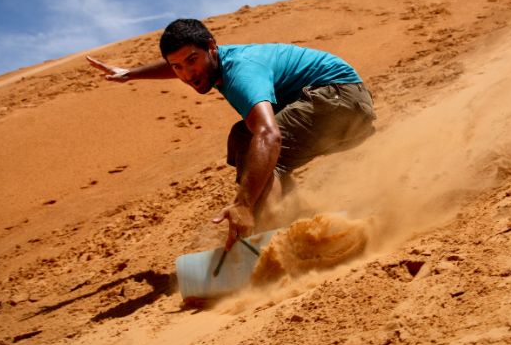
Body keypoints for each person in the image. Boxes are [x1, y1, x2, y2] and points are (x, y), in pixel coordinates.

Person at [87, 18, 376, 251]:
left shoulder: (241, 73)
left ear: (212, 47)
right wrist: (131, 73)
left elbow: (269, 135)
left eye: (192, 61)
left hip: (340, 99)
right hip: (341, 104)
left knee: (262, 152)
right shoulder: (210, 61)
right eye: (178, 67)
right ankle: (292, 224)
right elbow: (179, 63)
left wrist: (243, 205)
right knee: (243, 137)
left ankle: (273, 239)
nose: (187, 74)